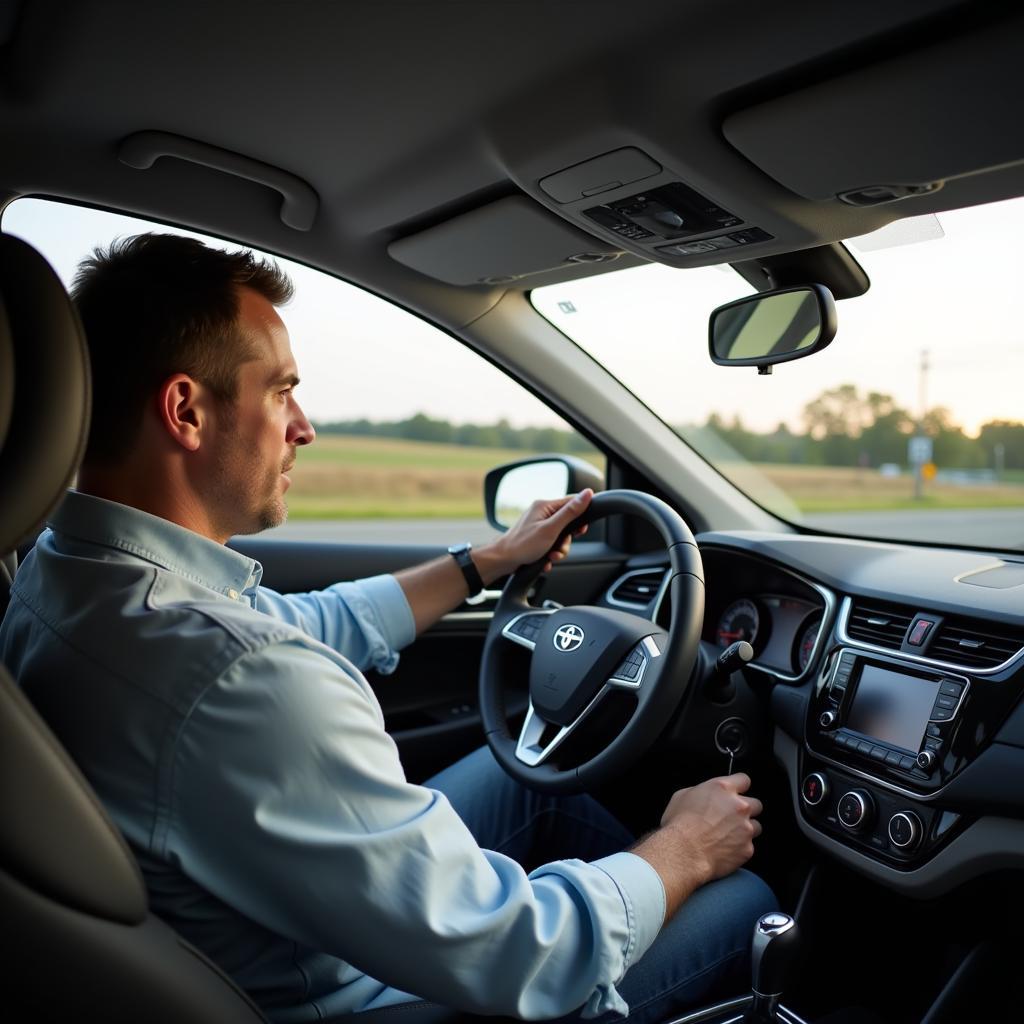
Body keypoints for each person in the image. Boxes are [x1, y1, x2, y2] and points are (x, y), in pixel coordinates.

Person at [0, 234, 774, 1024]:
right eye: (280, 392)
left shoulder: (62, 572)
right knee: (744, 894)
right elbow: (526, 951)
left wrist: (490, 560)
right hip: (361, 999)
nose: (303, 427)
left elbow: (310, 624)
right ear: (187, 412)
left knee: (523, 778)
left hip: (267, 935)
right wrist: (683, 848)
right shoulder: (239, 679)